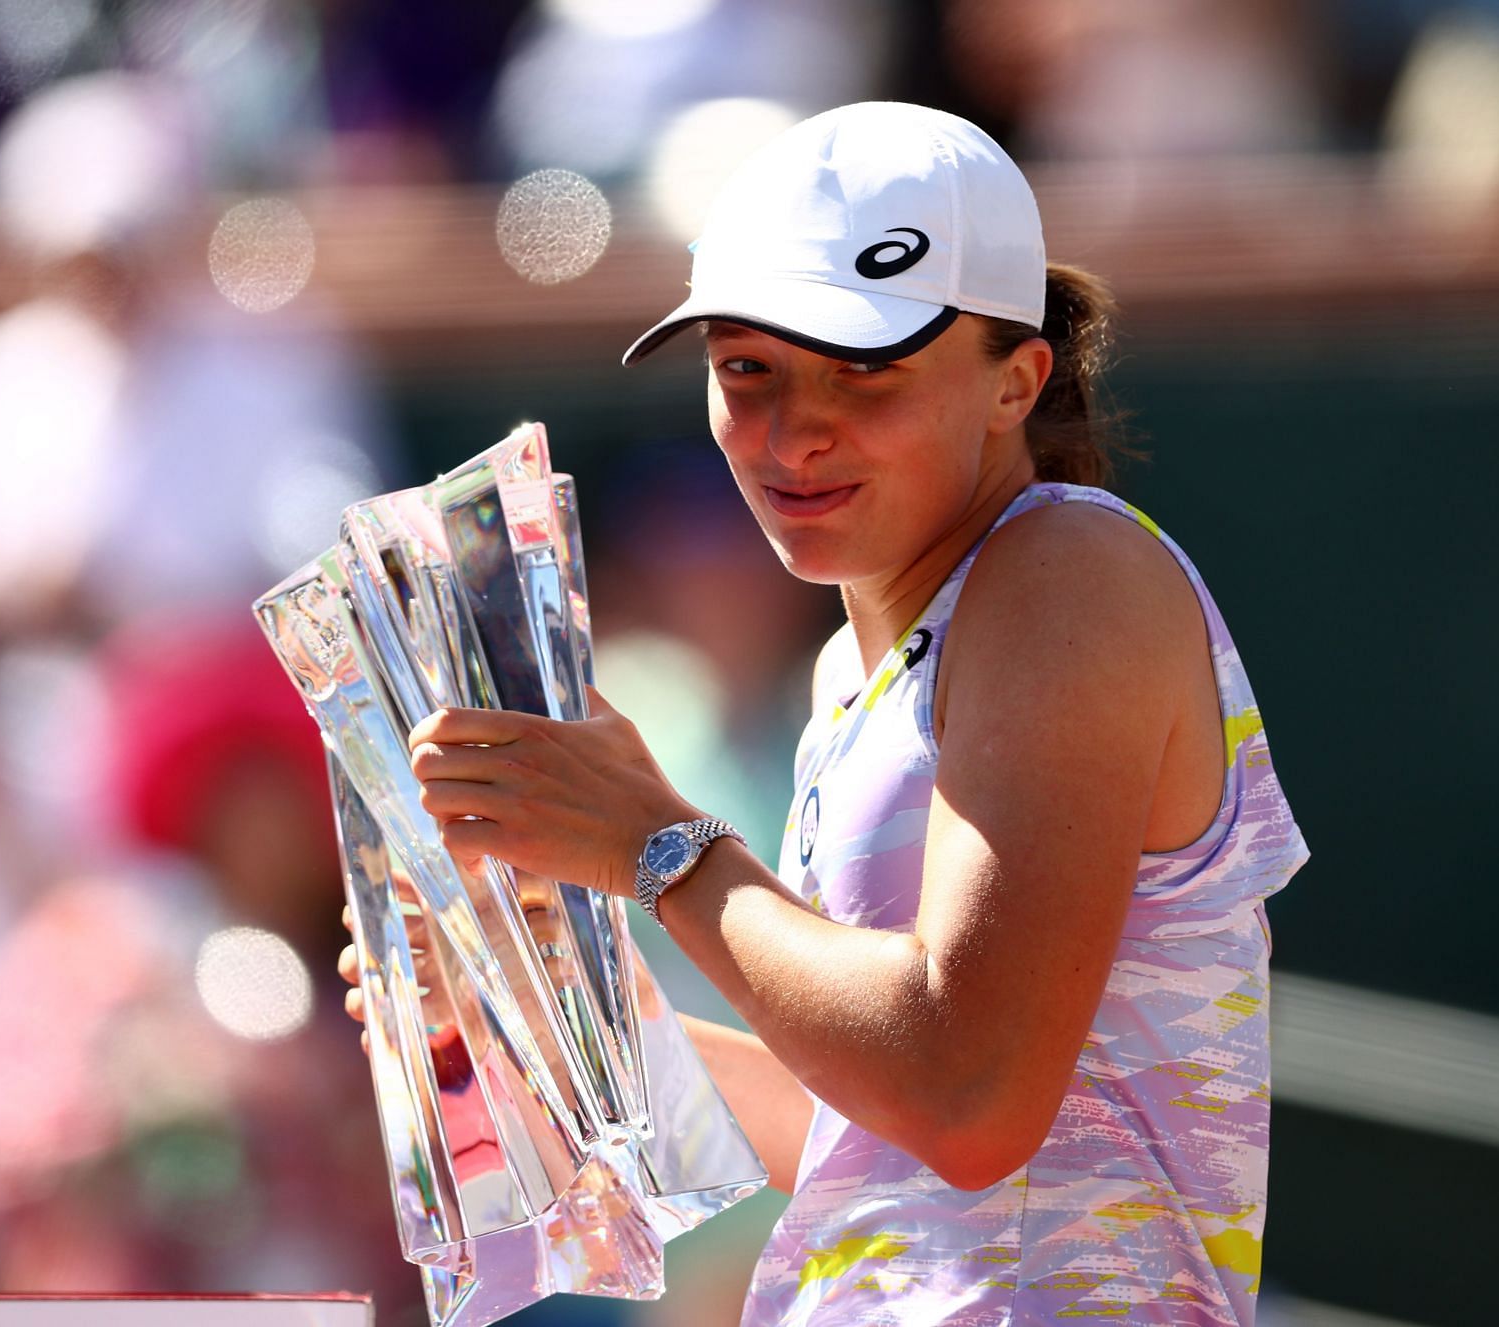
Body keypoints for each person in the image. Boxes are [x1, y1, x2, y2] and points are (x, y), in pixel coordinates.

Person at [345, 101, 1308, 1325]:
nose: (795, 430)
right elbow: (867, 1142)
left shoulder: (1070, 567)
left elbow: (970, 1095)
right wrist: (553, 1021)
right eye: (748, 369)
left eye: (867, 369)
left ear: (1017, 381)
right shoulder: (853, 674)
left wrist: (655, 844)